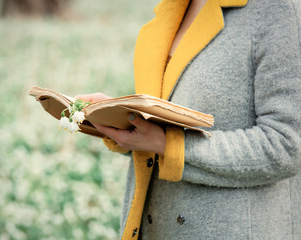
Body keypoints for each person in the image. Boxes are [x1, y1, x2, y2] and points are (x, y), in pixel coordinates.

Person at [76, 0, 301, 239]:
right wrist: (121, 118)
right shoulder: (172, 9)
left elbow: (286, 144)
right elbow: (165, 117)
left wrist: (167, 145)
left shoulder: (277, 9)